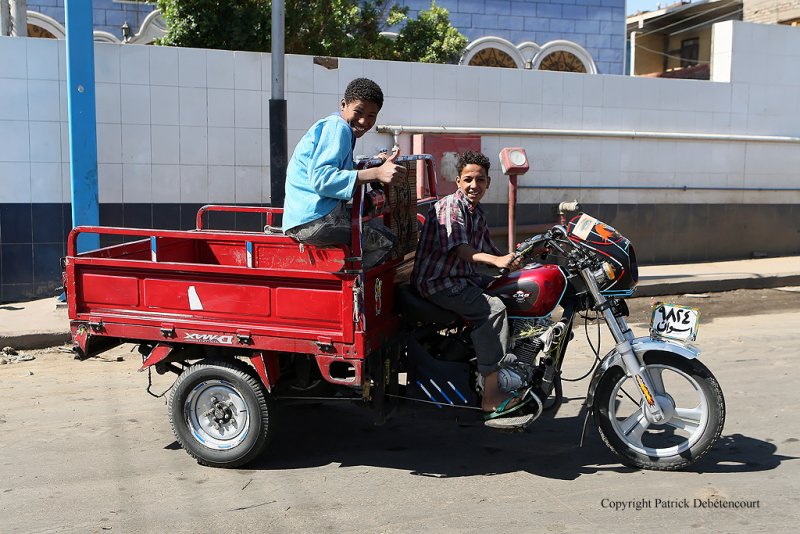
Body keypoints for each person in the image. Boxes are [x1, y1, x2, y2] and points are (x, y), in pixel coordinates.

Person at [412, 150, 526, 418]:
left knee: (513, 291)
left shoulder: (476, 211)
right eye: (468, 180)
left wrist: (514, 260)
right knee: (493, 309)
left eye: (481, 180)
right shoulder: (452, 206)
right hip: (438, 282)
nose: (474, 185)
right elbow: (463, 250)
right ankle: (490, 395)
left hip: (462, 277)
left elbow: (487, 250)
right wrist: (498, 262)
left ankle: (505, 365)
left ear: (488, 182)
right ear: (458, 181)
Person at [282, 77, 405, 268]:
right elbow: (322, 179)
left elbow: (337, 171)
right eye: (358, 112)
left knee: (376, 228)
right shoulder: (337, 127)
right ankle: (352, 289)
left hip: (311, 219)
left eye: (372, 116)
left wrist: (374, 165)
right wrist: (376, 174)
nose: (364, 121)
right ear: (343, 105)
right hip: (316, 221)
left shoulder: (337, 128)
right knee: (387, 241)